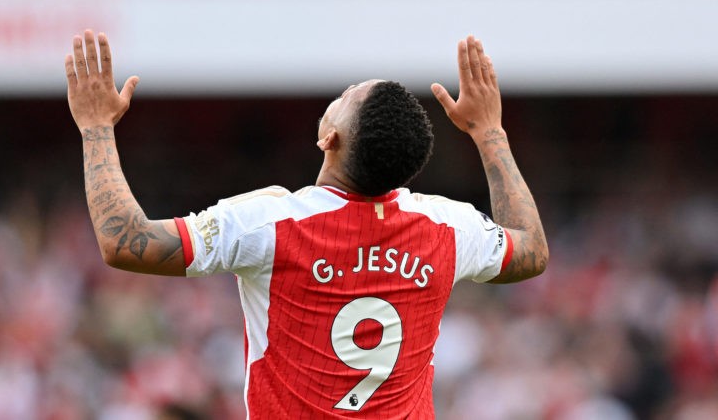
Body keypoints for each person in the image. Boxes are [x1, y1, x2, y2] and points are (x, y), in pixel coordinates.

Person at [64, 30, 548, 418]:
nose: (340, 93)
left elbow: (125, 243)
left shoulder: (270, 222)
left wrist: (95, 127)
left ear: (328, 138)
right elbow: (532, 253)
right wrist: (489, 132)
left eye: (344, 97)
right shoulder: (448, 226)